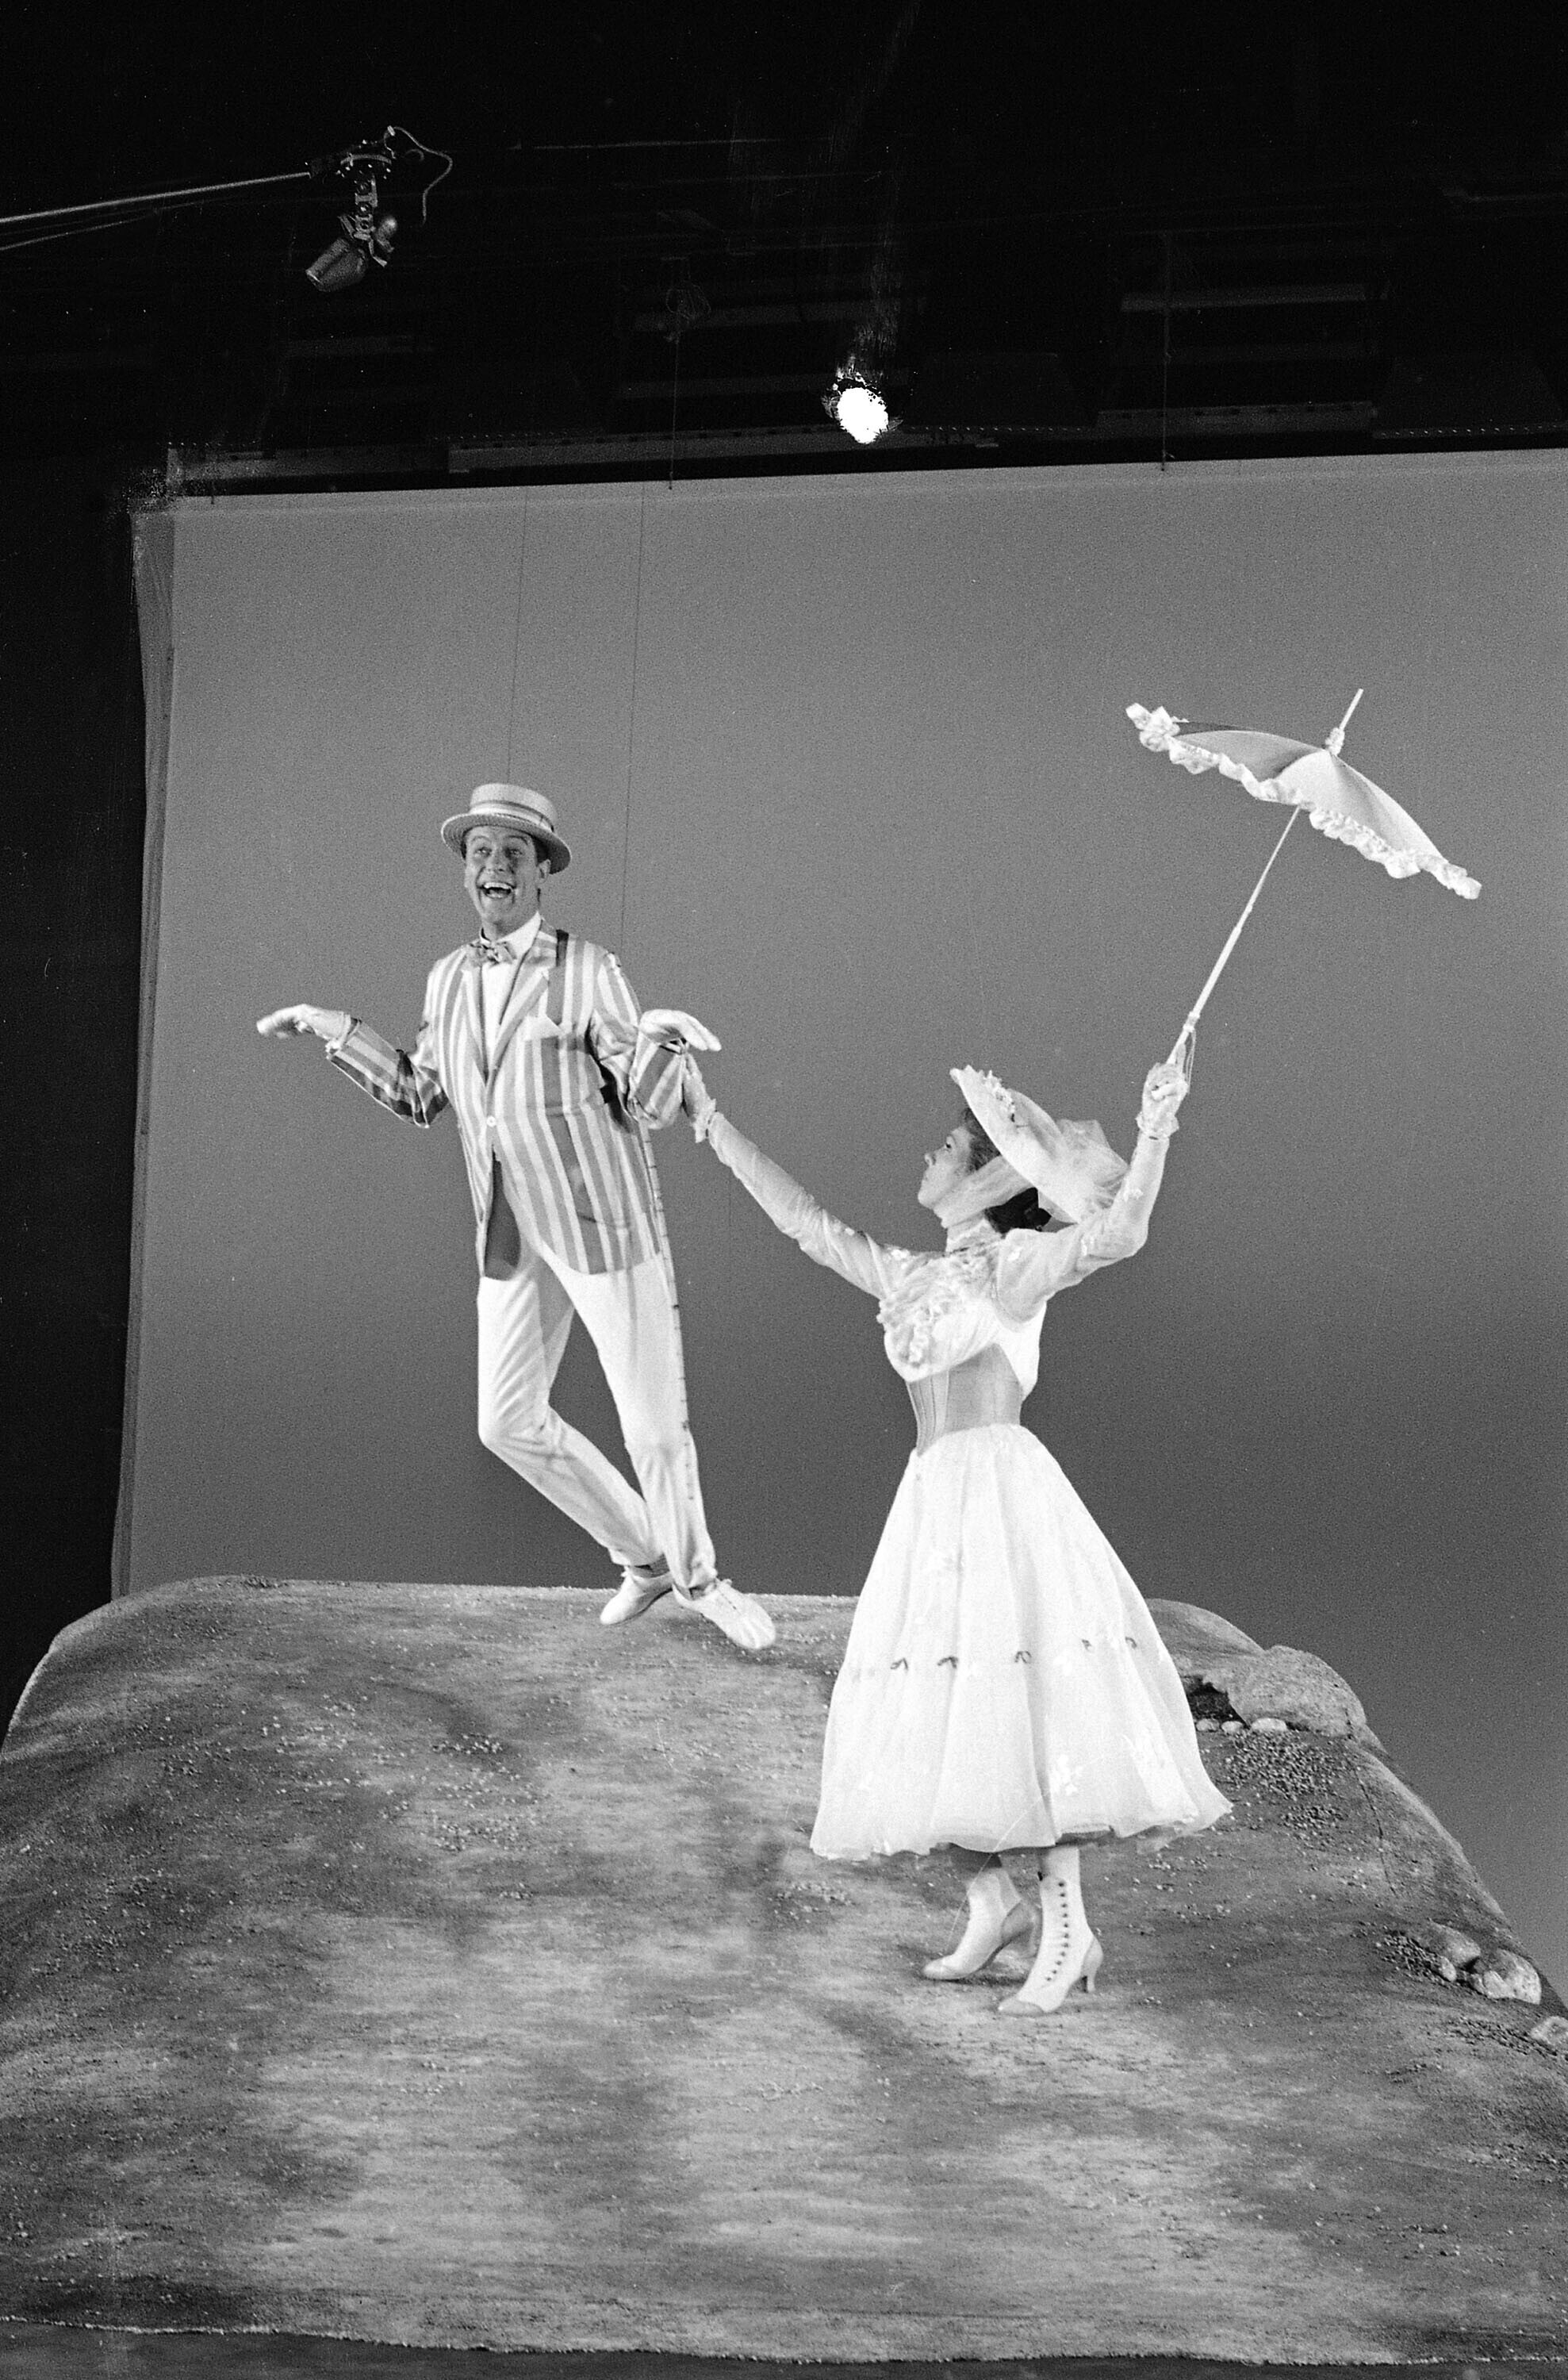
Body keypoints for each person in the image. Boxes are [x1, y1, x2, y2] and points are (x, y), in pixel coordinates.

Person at [678, 1049, 1229, 2011]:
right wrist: (712, 1123)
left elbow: (1122, 1235)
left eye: (950, 1143)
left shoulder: (1015, 1270)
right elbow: (808, 1226)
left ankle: (1068, 1934)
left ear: (987, 1177)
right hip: (933, 1501)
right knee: (934, 1709)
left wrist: (1158, 1125)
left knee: (1023, 1703)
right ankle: (994, 1905)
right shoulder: (916, 1274)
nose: (930, 1150)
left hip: (1001, 1496)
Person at [258, 781, 772, 1653]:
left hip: (602, 1225)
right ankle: (644, 1557)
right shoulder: (450, 978)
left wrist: (668, 1043)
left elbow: (645, 1107)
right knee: (505, 1422)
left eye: (512, 854)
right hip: (510, 1228)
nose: (493, 868)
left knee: (651, 1421)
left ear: (541, 873)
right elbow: (424, 1094)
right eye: (479, 854)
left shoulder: (590, 970)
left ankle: (700, 1579)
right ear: (465, 873)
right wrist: (334, 1030)